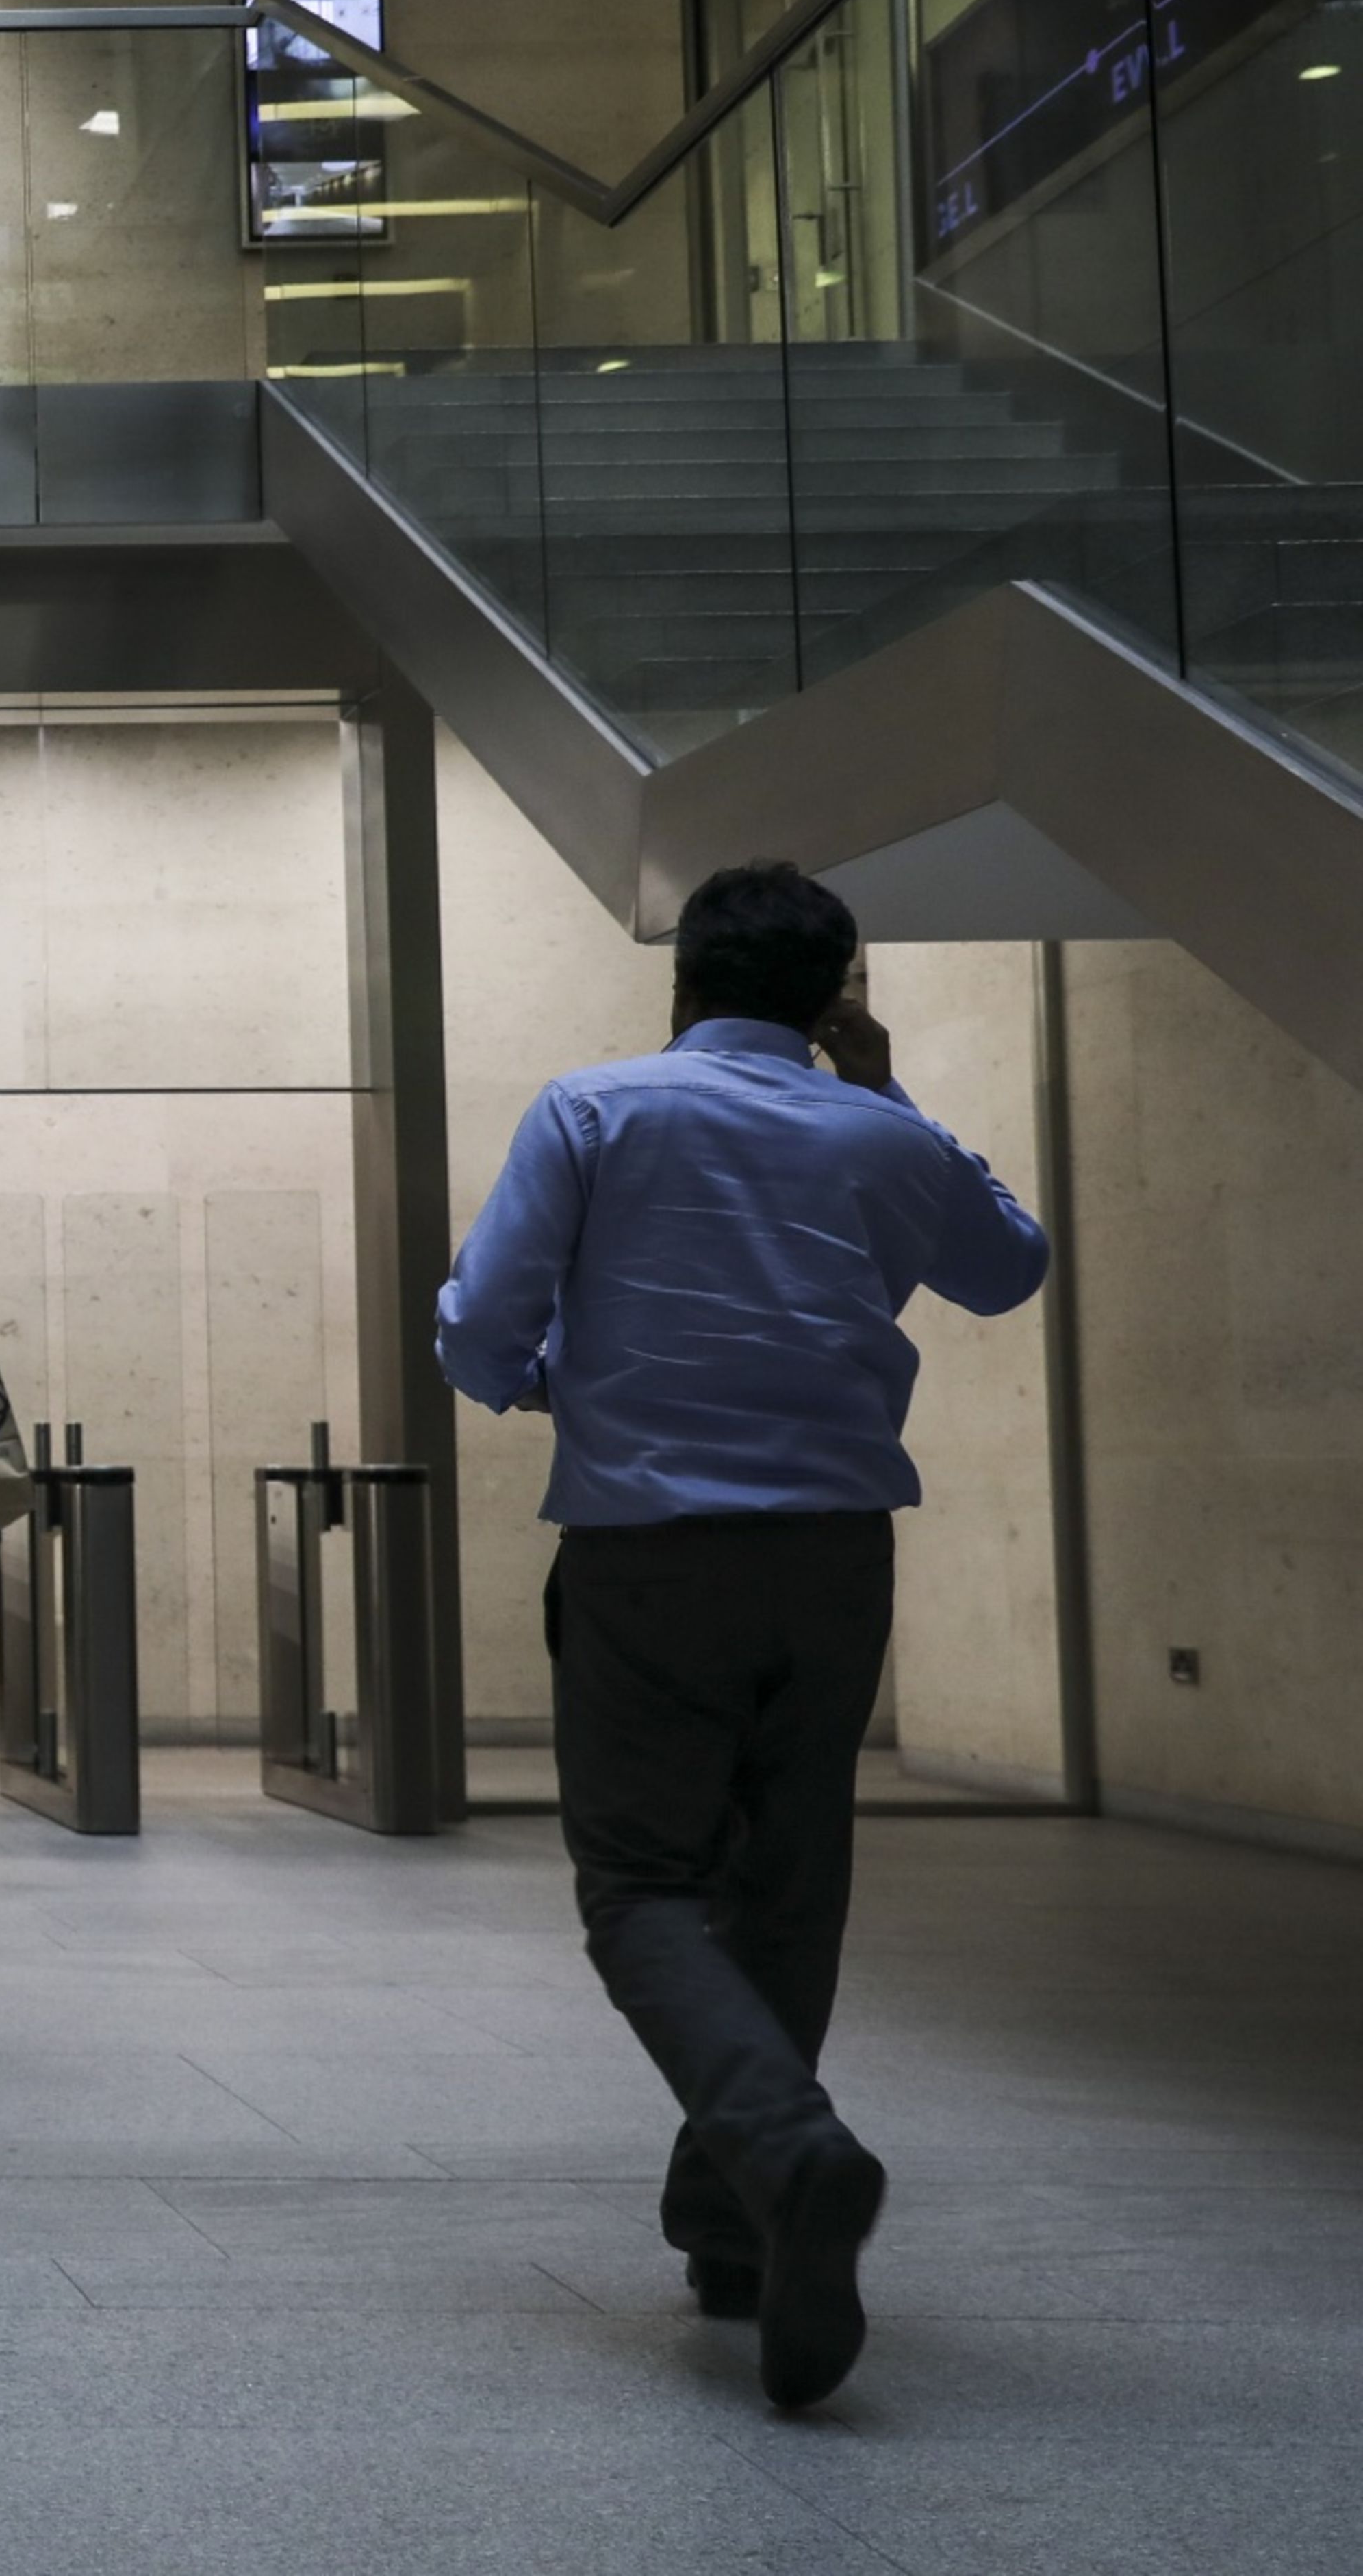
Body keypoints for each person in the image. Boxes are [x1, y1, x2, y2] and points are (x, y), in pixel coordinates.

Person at [437, 861, 1046, 2413]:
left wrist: (544, 1380)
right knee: (784, 1883)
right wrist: (887, 1084)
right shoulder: (877, 1132)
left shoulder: (591, 1111)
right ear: (830, 993)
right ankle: (731, 2228)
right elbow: (1005, 1263)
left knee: (641, 1883)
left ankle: (782, 2154)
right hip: (834, 1557)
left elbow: (473, 1327)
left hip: (647, 1555)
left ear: (679, 983)